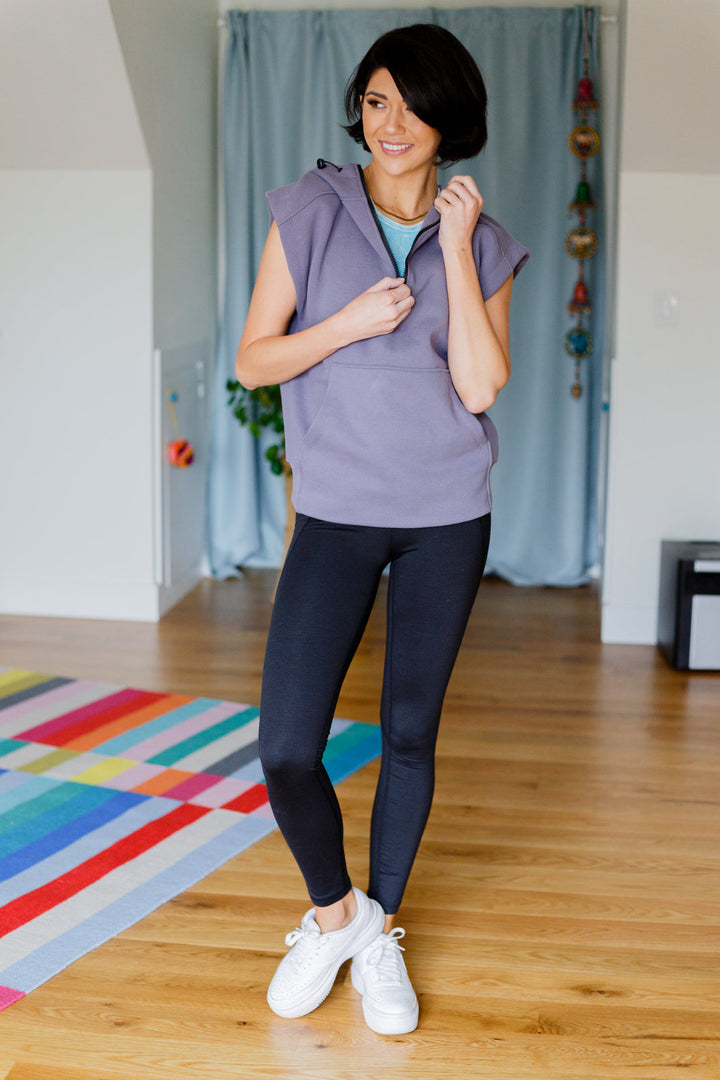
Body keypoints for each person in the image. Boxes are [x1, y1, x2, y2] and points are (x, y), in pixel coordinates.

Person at [235, 23, 529, 1036]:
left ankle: (383, 931)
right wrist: (346, 326)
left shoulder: (484, 240)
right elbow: (255, 360)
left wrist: (456, 249)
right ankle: (338, 917)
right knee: (286, 747)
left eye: (410, 104)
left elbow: (481, 386)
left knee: (408, 732)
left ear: (451, 119)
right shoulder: (309, 210)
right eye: (374, 101)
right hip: (337, 511)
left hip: (447, 514)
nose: (389, 123)